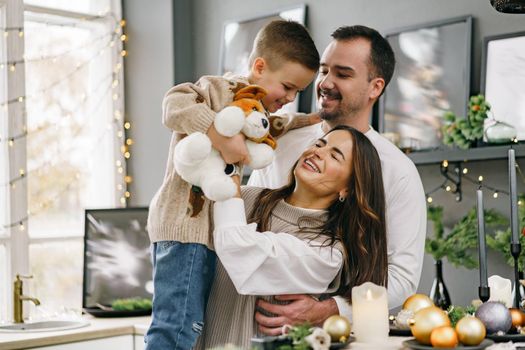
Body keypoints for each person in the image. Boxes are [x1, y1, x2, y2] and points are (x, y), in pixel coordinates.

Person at [145, 20, 320, 350]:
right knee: (177, 325)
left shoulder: (257, 110)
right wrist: (217, 135)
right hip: (184, 226)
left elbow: (275, 125)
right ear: (259, 67)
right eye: (287, 87)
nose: (290, 97)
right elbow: (173, 104)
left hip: (204, 234)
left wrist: (308, 120)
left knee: (191, 324)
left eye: (298, 92)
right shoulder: (218, 89)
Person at [248, 25, 427, 334]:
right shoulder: (283, 141)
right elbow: (246, 220)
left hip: (337, 336)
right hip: (251, 326)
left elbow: (402, 277)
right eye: (323, 70)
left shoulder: (398, 170)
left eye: (342, 74)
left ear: (375, 87)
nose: (325, 83)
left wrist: (329, 309)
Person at [197, 125, 388, 349]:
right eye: (319, 144)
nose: (318, 152)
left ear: (347, 189)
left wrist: (228, 178)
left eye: (335, 156)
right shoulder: (246, 198)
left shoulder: (326, 253)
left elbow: (240, 252)